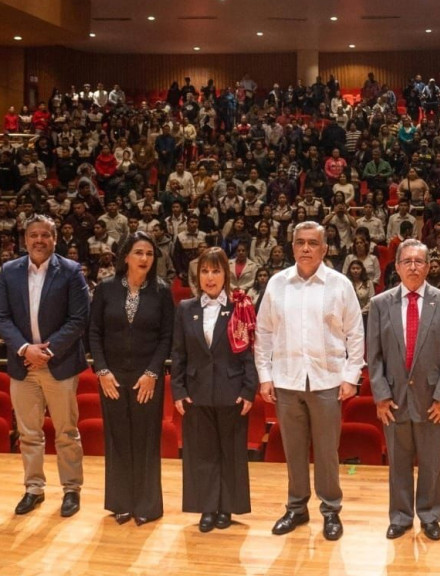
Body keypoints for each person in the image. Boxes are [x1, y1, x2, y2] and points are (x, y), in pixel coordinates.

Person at [255, 221, 364, 541]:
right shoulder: (277, 284)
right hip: (287, 380)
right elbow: (263, 334)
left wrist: (350, 376)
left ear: (325, 248)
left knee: (328, 451)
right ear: (292, 247)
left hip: (327, 379)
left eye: (313, 243)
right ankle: (296, 508)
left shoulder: (339, 284)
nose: (306, 248)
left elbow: (356, 333)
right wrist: (265, 376)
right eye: (300, 242)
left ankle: (331, 510)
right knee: (294, 449)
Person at [0, 215, 90, 518]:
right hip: (23, 364)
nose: (38, 240)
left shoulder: (72, 272)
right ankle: (33, 488)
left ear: (55, 238)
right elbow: (0, 318)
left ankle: (71, 489)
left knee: (66, 432)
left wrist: (46, 351)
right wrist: (25, 348)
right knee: (29, 433)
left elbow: (79, 319)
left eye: (45, 235)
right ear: (25, 239)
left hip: (58, 363)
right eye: (33, 235)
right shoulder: (9, 271)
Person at [366, 239, 440, 540]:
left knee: (432, 462)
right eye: (406, 261)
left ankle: (430, 515)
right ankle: (400, 516)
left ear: (428, 266)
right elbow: (374, 356)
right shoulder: (380, 304)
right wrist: (381, 396)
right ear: (396, 266)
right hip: (393, 400)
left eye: (419, 261)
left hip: (432, 400)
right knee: (398, 462)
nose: (412, 266)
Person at [88, 232, 174, 525]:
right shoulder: (105, 289)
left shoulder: (162, 291)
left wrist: (152, 373)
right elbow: (94, 333)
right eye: (139, 252)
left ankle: (147, 505)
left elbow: (166, 337)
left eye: (149, 254)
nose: (145, 258)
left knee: (147, 439)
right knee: (117, 438)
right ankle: (121, 502)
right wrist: (101, 371)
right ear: (125, 256)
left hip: (147, 378)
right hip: (111, 377)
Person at [170, 247, 257, 532]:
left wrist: (248, 390)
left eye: (216, 271)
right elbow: (179, 354)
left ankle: (227, 509)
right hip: (196, 392)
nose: (210, 277)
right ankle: (206, 508)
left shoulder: (240, 307)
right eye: (205, 271)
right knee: (201, 454)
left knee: (231, 453)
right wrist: (179, 391)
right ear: (198, 275)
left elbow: (249, 352)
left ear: (226, 275)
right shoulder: (186, 309)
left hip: (231, 391)